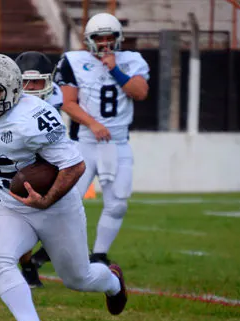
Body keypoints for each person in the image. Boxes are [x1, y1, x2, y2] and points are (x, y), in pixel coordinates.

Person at [0, 53, 127, 321]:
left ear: (11, 89)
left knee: (79, 278)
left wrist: (46, 199)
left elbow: (74, 166)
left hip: (56, 206)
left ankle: (113, 281)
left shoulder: (34, 116)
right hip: (14, 203)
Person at [54, 12, 150, 266]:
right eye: (100, 37)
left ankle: (98, 255)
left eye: (110, 37)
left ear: (119, 38)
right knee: (68, 202)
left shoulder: (131, 61)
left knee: (118, 203)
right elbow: (67, 102)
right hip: (83, 142)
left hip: (117, 143)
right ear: (89, 39)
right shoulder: (73, 61)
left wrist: (115, 69)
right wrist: (92, 123)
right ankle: (58, 251)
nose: (105, 42)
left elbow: (140, 92)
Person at [14, 51, 61, 289]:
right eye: (25, 82)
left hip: (52, 162)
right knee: (21, 223)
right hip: (19, 166)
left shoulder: (57, 97)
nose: (31, 87)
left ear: (49, 80)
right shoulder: (8, 101)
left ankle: (48, 251)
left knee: (62, 221)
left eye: (37, 81)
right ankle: (28, 266)